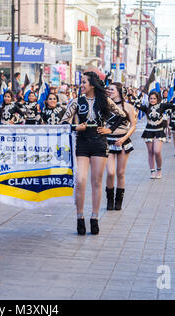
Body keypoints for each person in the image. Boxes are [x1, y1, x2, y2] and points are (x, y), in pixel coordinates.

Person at [61, 71, 121, 235]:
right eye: (81, 82)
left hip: (100, 143)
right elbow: (64, 123)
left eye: (84, 82)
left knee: (96, 181)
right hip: (82, 142)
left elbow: (122, 116)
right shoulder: (75, 102)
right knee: (80, 180)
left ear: (92, 84)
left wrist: (110, 129)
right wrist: (76, 127)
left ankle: (94, 218)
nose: (81, 85)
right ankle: (80, 217)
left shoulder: (105, 101)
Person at [105, 82, 137, 210]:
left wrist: (123, 138)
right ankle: (109, 199)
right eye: (108, 89)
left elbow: (133, 125)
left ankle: (119, 201)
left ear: (119, 91)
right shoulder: (105, 106)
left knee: (120, 173)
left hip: (123, 142)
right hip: (108, 142)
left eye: (112, 89)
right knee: (110, 172)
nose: (109, 91)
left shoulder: (128, 107)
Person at [134, 91, 175, 179]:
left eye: (154, 98)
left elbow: (174, 106)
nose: (152, 100)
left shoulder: (162, 106)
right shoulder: (146, 107)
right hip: (148, 132)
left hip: (159, 131)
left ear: (157, 99)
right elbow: (136, 105)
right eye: (151, 98)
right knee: (150, 152)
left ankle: (159, 169)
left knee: (157, 151)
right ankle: (152, 171)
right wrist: (139, 96)